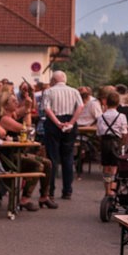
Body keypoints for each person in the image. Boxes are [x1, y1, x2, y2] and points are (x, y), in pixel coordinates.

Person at [37, 69, 81, 207]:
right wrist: (71, 122)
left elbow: (46, 109)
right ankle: (67, 190)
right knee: (68, 157)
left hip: (53, 123)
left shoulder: (49, 91)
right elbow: (80, 106)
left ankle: (50, 191)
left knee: (52, 157)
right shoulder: (74, 91)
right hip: (70, 121)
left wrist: (57, 122)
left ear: (53, 80)